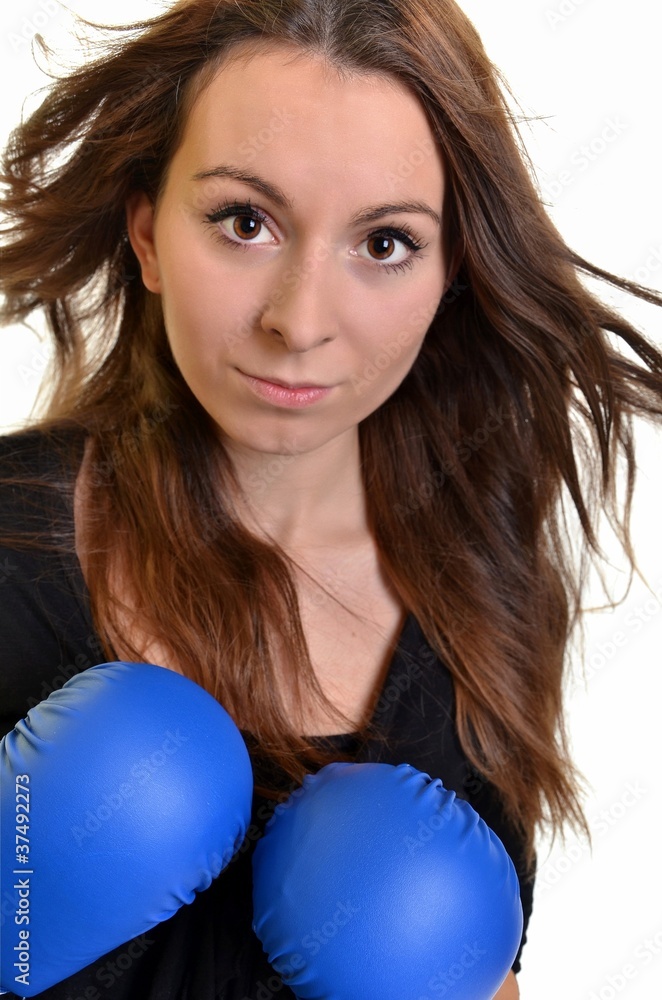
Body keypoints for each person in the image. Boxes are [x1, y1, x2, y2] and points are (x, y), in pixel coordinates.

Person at [0, 0, 661, 997]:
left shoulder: (478, 586)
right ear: (146, 234)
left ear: (450, 273)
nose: (300, 321)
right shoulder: (13, 547)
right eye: (244, 222)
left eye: (384, 242)